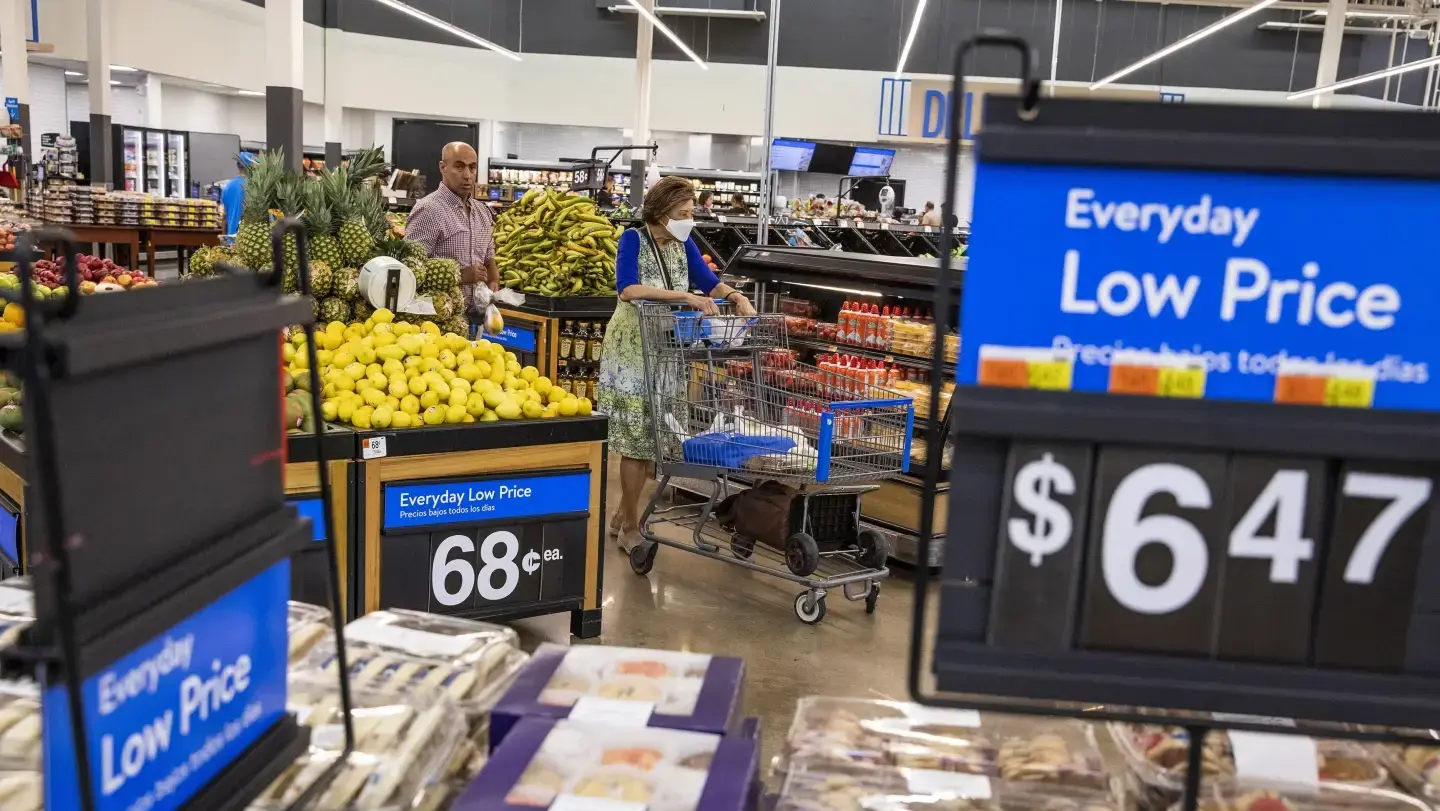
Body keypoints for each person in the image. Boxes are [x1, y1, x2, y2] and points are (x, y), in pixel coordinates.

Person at [599, 176, 757, 553]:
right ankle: (631, 528)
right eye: (683, 213)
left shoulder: (684, 244)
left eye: (692, 213)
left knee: (659, 437)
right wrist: (683, 296)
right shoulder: (634, 239)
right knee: (637, 441)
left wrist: (735, 296)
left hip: (668, 349)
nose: (690, 220)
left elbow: (709, 281)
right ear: (662, 211)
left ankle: (626, 512)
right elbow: (628, 288)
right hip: (634, 350)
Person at [405, 142, 500, 324]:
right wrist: (461, 276)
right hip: (439, 322)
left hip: (476, 319)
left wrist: (493, 281)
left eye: (472, 168)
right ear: (443, 167)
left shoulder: (482, 212)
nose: (467, 175)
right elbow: (409, 270)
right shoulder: (428, 210)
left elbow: (489, 259)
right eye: (459, 167)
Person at [220, 152, 259, 238]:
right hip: (250, 239)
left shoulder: (227, 186)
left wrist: (224, 238)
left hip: (231, 237)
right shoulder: (254, 185)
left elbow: (223, 216)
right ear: (251, 166)